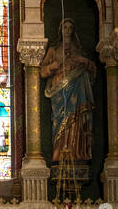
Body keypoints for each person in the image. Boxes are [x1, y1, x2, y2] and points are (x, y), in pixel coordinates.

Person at [39, 19, 96, 162]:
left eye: (71, 27)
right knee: (61, 119)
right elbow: (42, 72)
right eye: (65, 27)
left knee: (77, 120)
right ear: (61, 29)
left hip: (78, 89)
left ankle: (78, 152)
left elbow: (93, 70)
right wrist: (55, 65)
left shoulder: (80, 49)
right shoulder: (53, 50)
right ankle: (59, 152)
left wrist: (83, 61)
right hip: (59, 90)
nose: (68, 30)